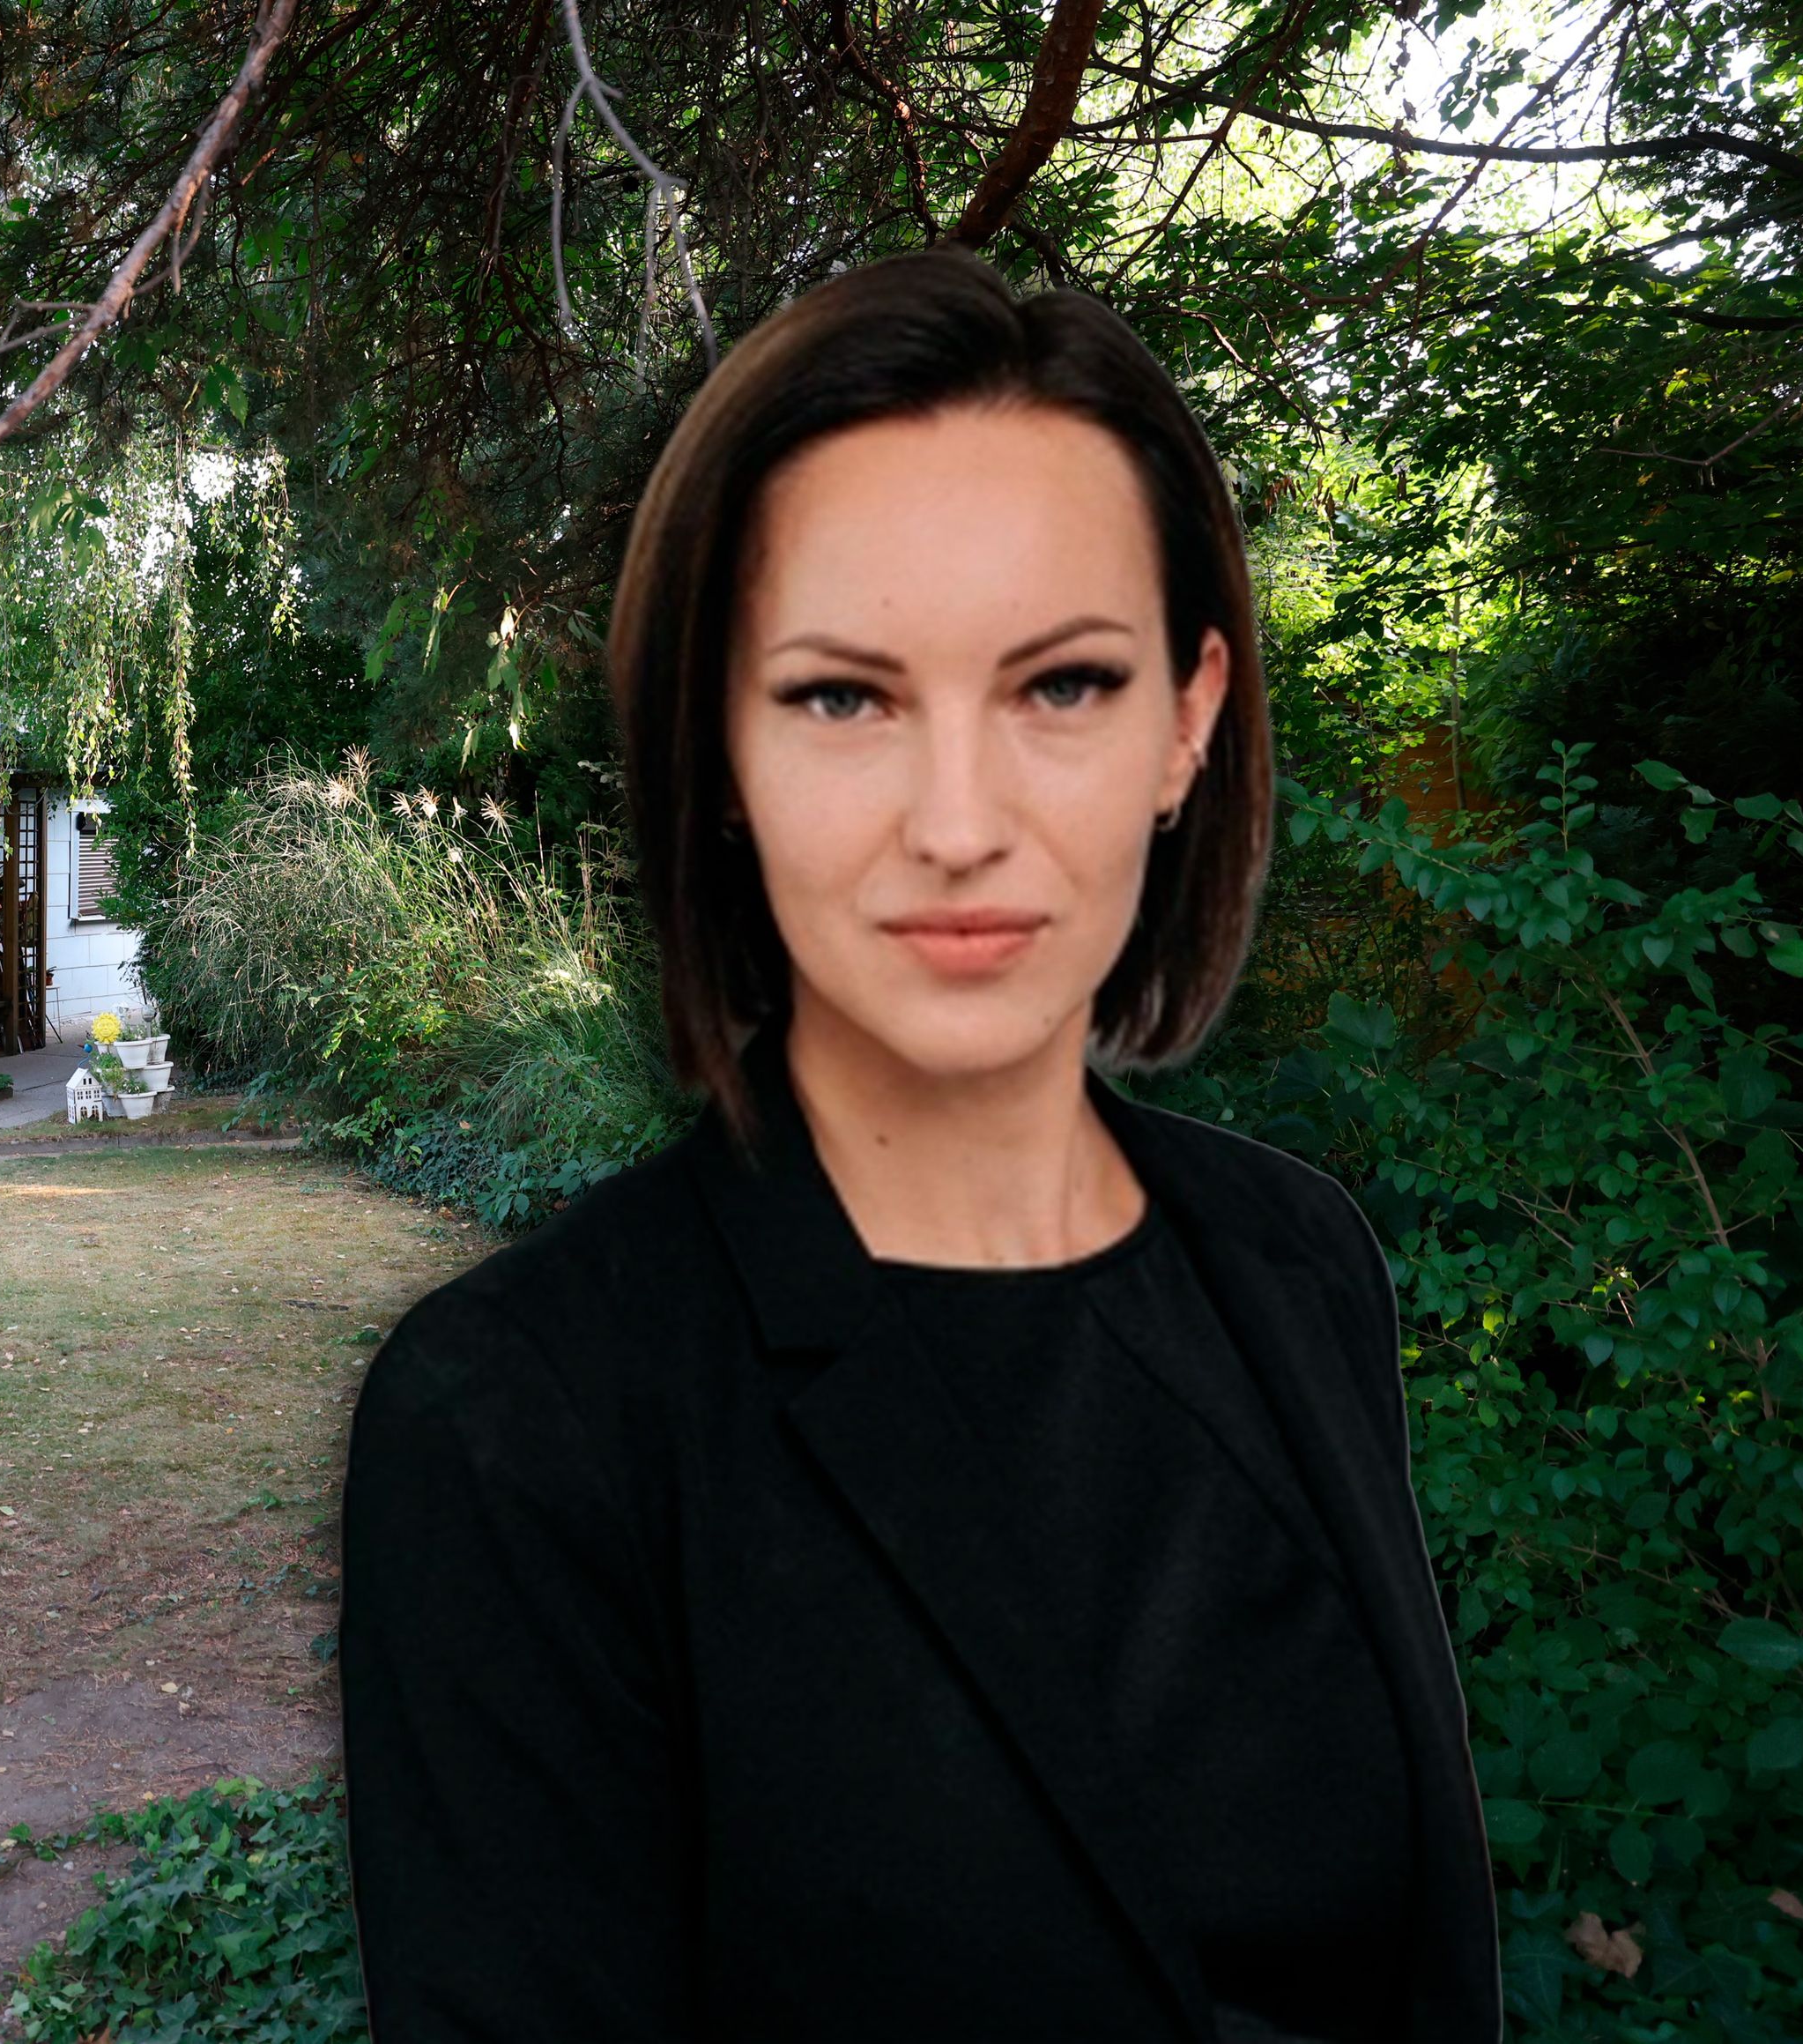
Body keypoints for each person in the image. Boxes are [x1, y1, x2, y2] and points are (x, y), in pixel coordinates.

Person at [338, 251, 1498, 2041]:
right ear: (715, 745)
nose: (957, 824)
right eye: (838, 696)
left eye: (1059, 687)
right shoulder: (520, 1421)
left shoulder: (1296, 1260)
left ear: (1185, 721)